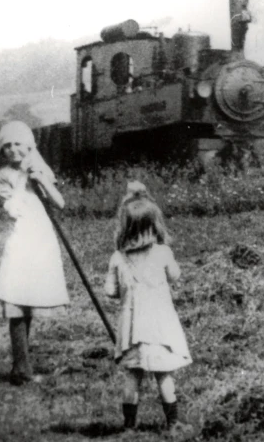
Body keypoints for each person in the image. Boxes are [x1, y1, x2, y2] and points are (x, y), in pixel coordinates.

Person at [104, 181, 192, 432]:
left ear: (124, 227)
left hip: (132, 332)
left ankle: (129, 426)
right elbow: (175, 275)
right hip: (160, 330)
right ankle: (173, 423)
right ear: (155, 225)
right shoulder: (163, 253)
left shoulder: (117, 258)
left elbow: (110, 291)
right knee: (164, 375)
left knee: (132, 376)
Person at [0, 121, 69, 385]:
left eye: (18, 144)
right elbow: (13, 209)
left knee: (29, 300)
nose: (13, 150)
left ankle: (22, 365)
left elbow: (60, 203)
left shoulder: (41, 169)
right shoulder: (3, 176)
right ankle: (21, 368)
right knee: (16, 303)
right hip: (21, 242)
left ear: (29, 145)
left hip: (41, 241)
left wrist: (42, 179)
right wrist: (25, 178)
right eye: (7, 146)